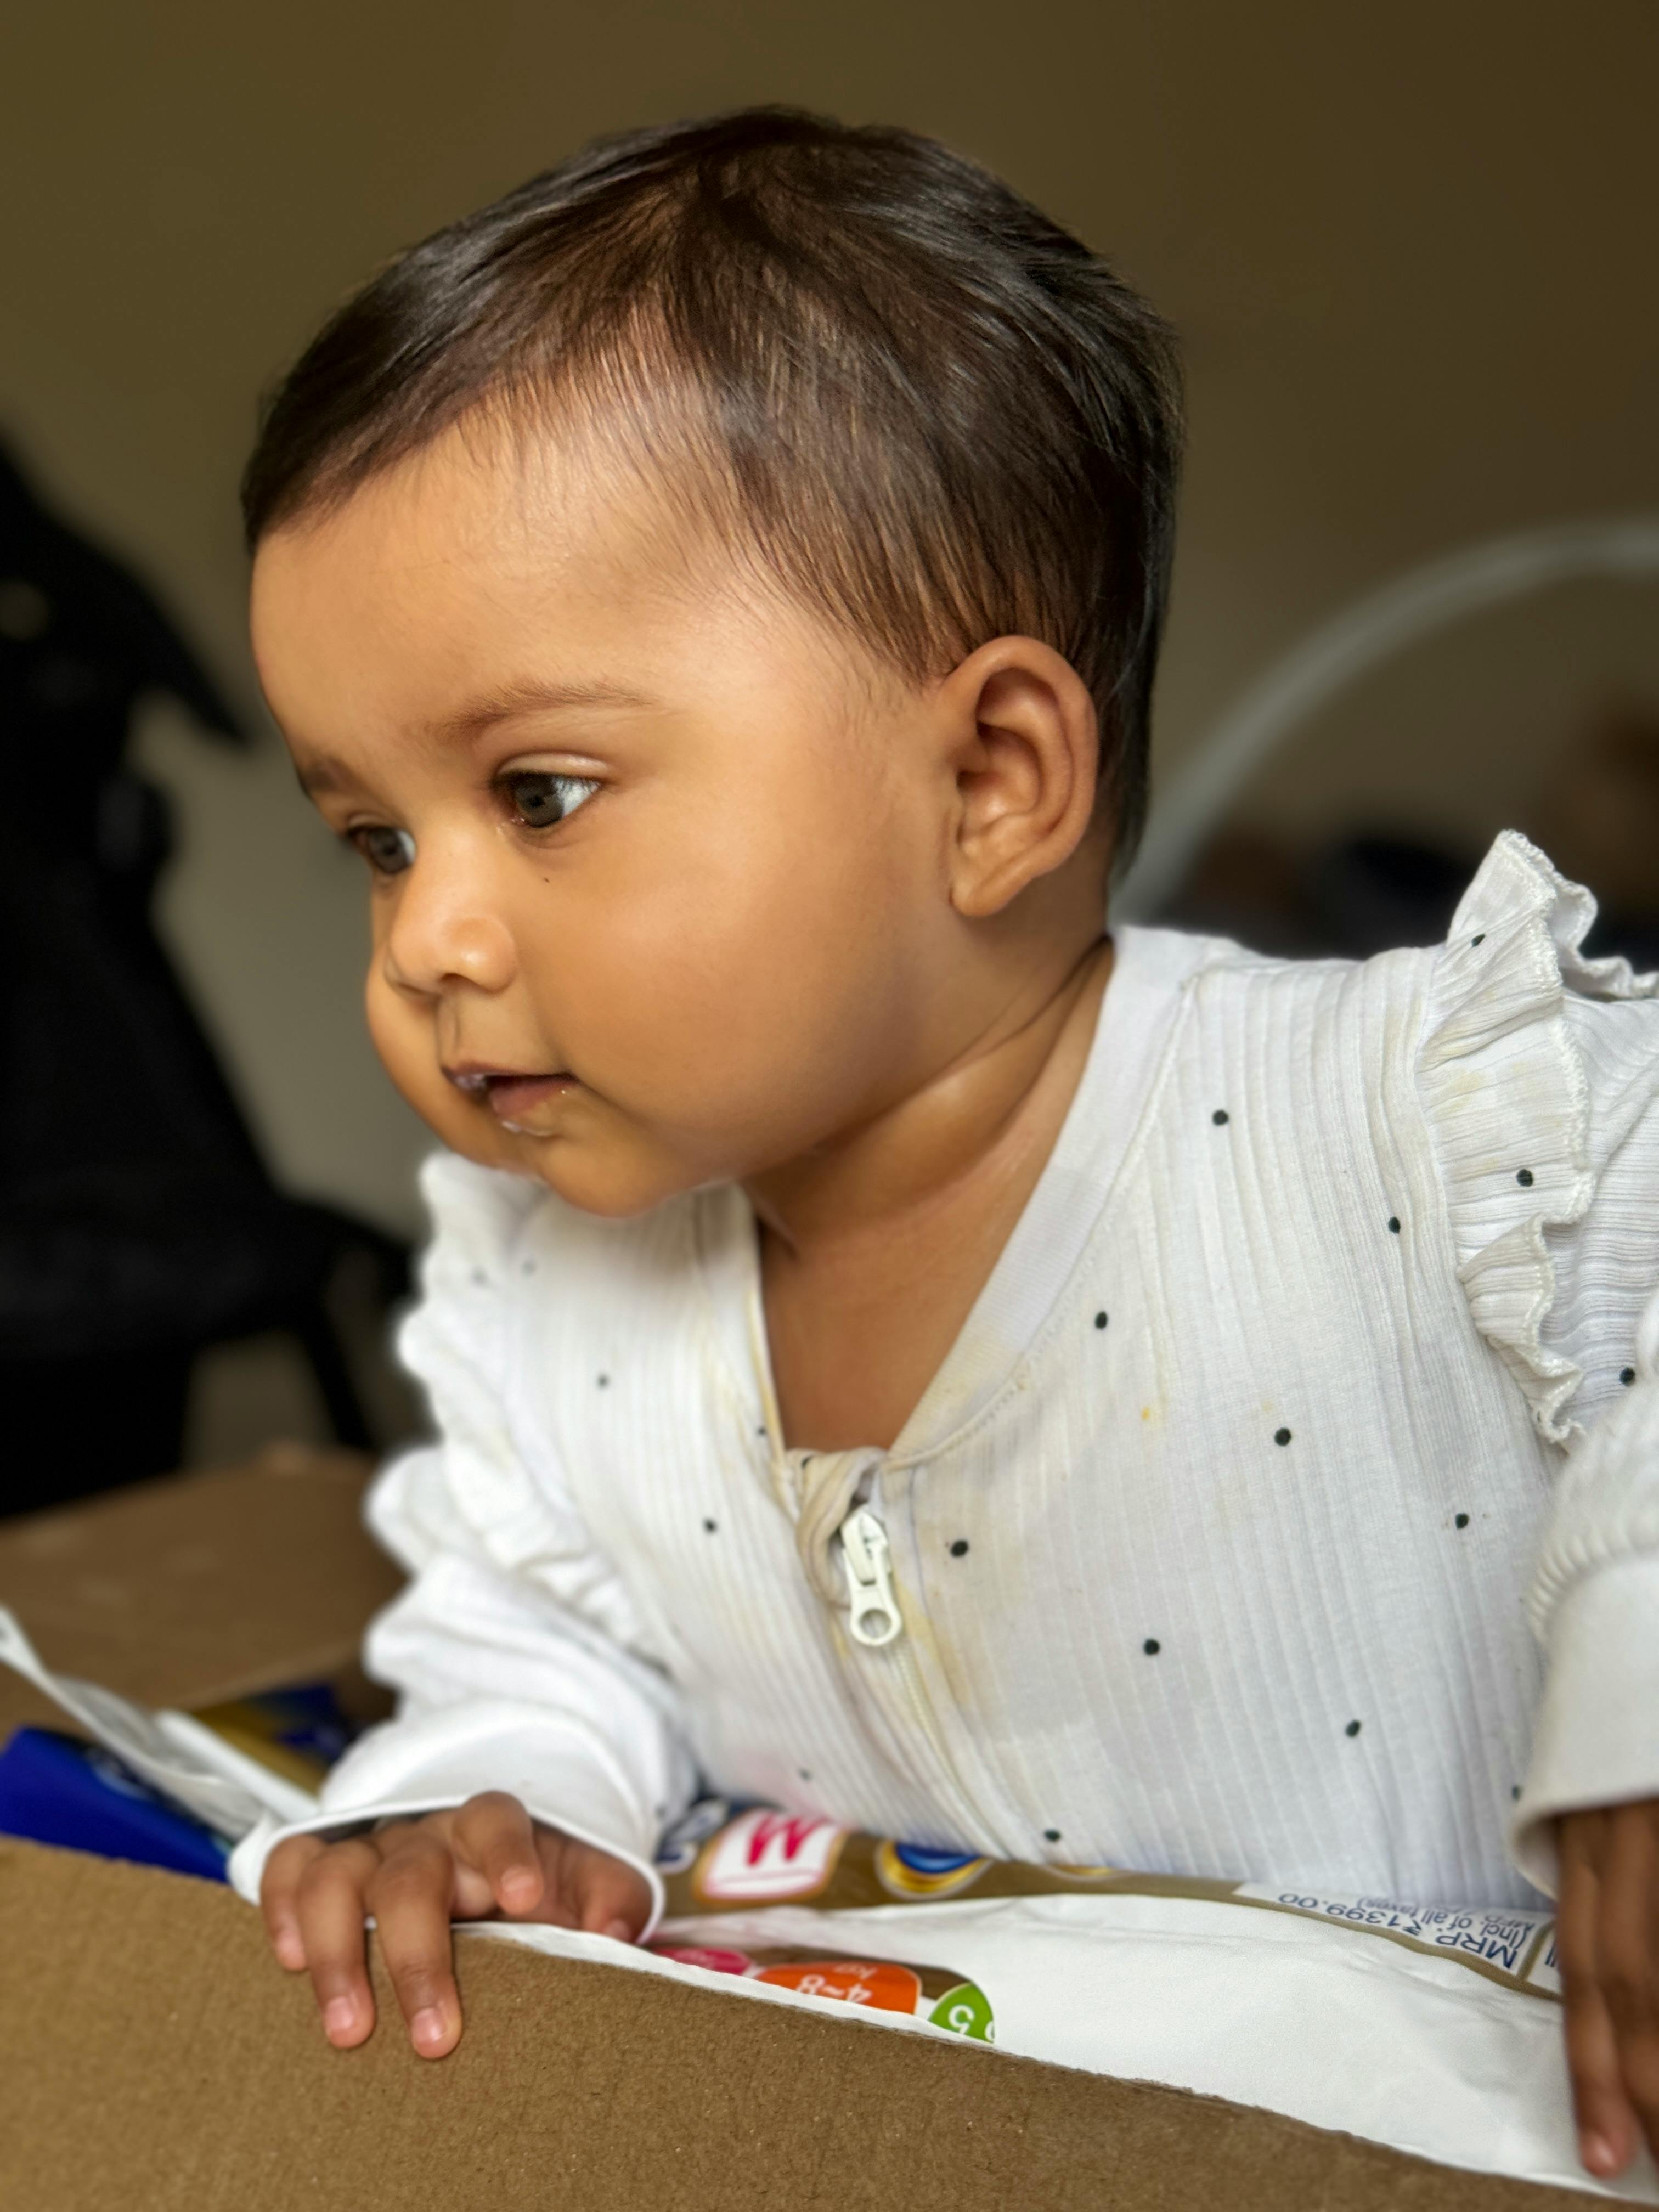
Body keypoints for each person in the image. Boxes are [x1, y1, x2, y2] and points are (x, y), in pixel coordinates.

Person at [233, 110, 1659, 2182]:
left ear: (991, 779)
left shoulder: (1421, 1115)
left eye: (538, 794)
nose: (426, 941)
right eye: (376, 840)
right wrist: (502, 1791)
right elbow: (541, 1631)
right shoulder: (555, 1309)